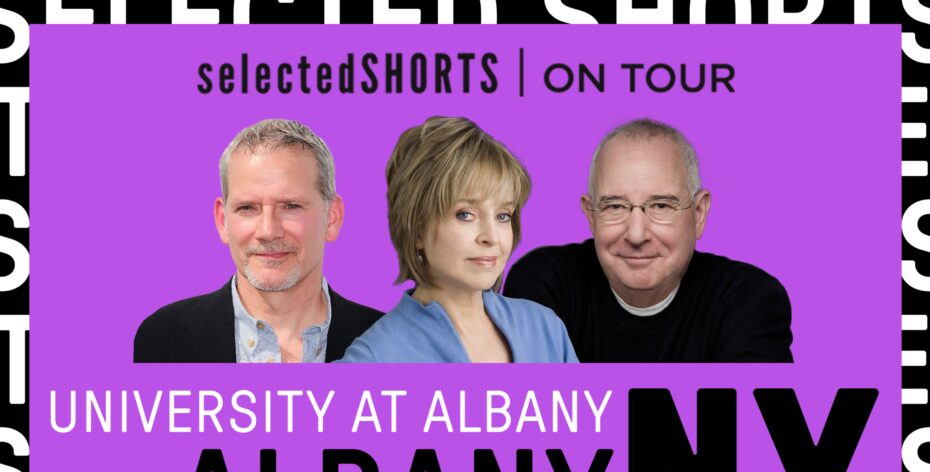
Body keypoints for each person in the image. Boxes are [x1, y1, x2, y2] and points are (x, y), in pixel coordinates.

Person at [503, 118, 793, 362]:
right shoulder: (544, 284)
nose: (637, 234)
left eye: (661, 206)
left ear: (699, 213)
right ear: (591, 215)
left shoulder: (749, 299)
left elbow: (750, 424)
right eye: (615, 206)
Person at [134, 119, 382, 363]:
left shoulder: (390, 343)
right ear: (223, 220)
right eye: (248, 208)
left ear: (332, 217)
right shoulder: (161, 340)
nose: (268, 231)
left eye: (291, 206)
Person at [339, 116, 577, 363]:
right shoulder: (374, 358)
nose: (491, 237)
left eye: (503, 216)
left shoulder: (546, 329)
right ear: (417, 229)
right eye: (465, 214)